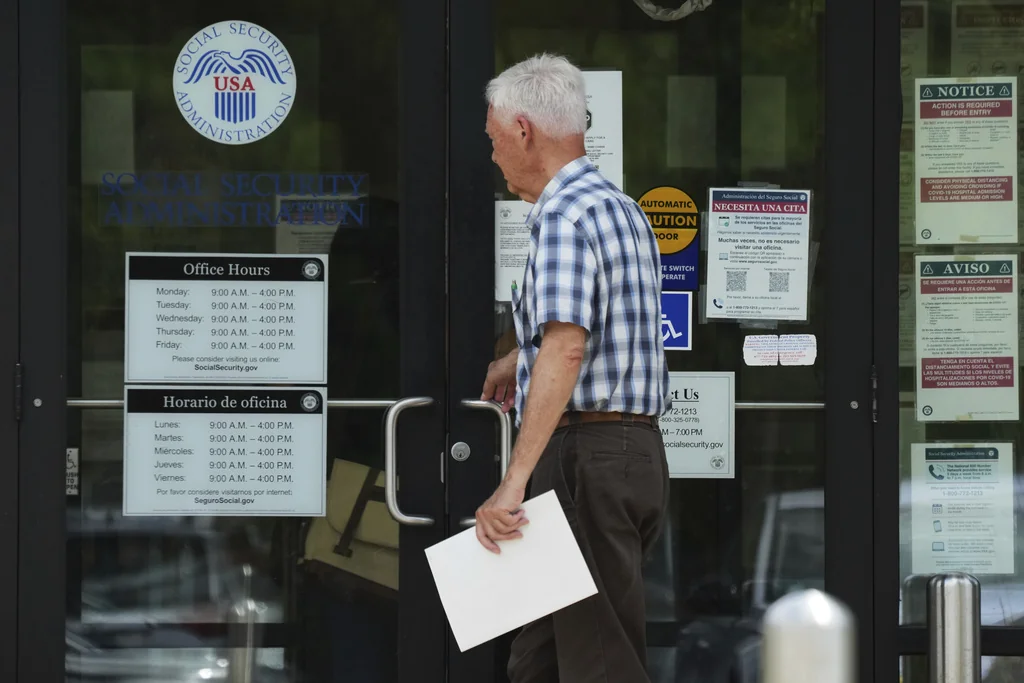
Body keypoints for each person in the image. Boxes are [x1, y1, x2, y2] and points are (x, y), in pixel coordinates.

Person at [475, 53, 672, 683]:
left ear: (524, 130)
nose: (494, 151)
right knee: (542, 661)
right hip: (629, 452)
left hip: (587, 456)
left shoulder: (561, 216)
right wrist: (518, 356)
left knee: (598, 664)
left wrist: (515, 479)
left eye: (494, 136)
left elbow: (568, 347)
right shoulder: (621, 208)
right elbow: (600, 328)